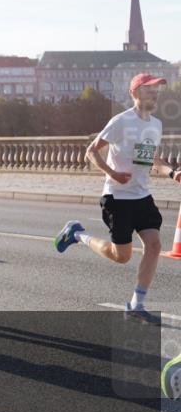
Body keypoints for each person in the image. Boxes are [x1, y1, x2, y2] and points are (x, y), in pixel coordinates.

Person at [55, 73, 181, 324]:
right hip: (117, 197)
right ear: (134, 93)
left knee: (154, 246)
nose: (154, 94)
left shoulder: (155, 125)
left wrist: (173, 173)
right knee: (120, 256)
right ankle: (76, 234)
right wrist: (112, 173)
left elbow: (154, 160)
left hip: (143, 196)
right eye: (148, 89)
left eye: (156, 90)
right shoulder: (121, 121)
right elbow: (91, 151)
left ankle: (136, 304)